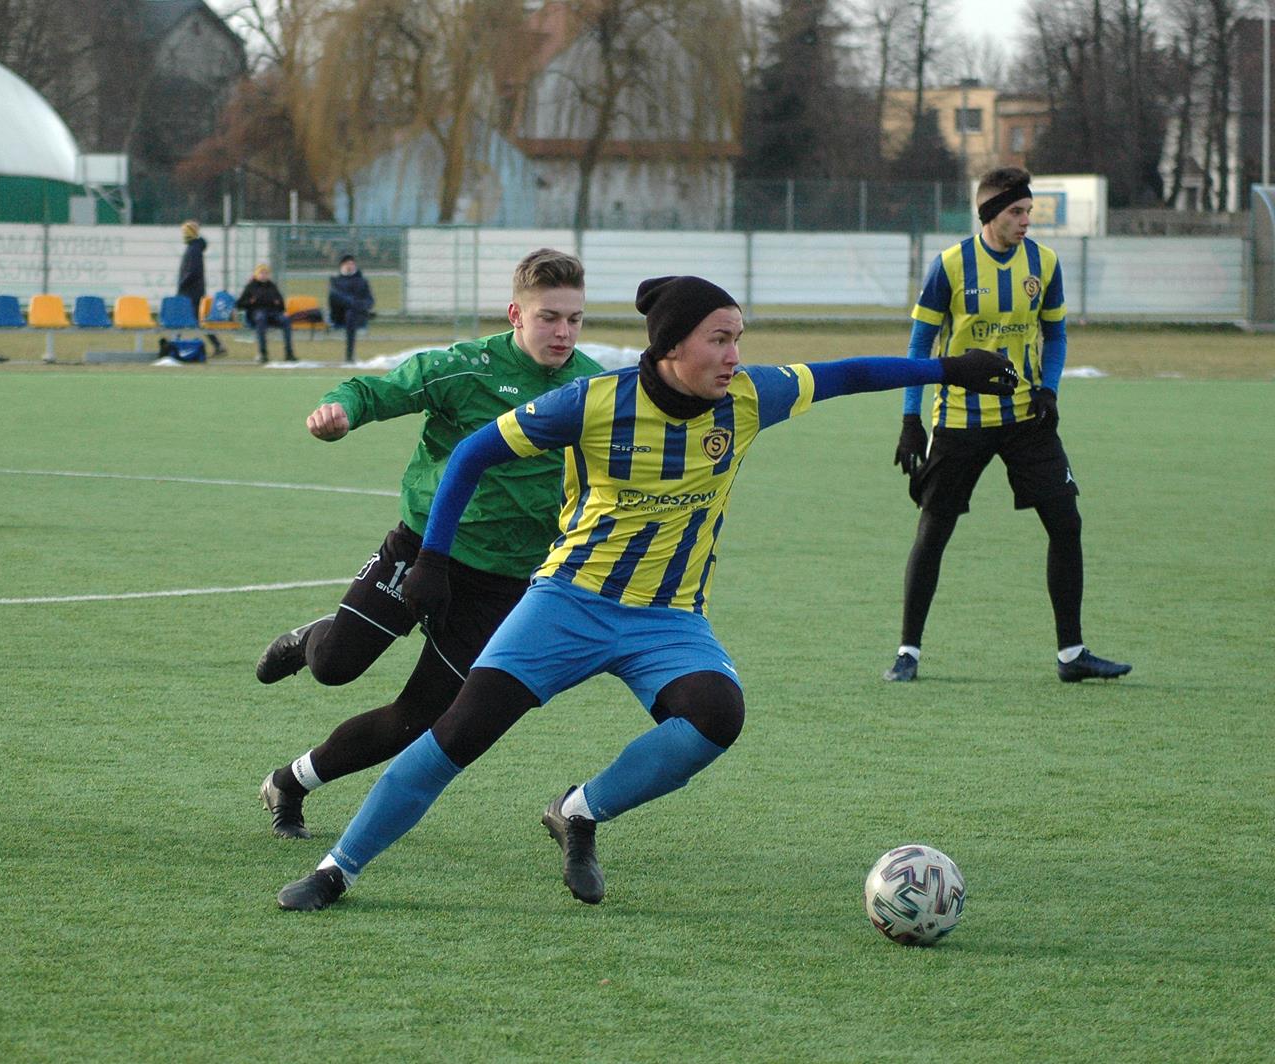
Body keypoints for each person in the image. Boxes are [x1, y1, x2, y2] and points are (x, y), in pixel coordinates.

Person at [275, 275, 1019, 911]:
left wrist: (950, 370)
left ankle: (579, 811)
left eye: (737, 339)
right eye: (719, 340)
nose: (734, 355)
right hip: (566, 604)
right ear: (671, 348)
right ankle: (336, 869)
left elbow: (851, 372)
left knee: (716, 716)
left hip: (667, 618)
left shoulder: (754, 397)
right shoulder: (593, 402)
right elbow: (473, 451)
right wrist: (433, 556)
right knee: (455, 736)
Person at [254, 249, 602, 839]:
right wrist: (341, 410)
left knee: (417, 719)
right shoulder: (465, 368)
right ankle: (313, 637)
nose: (563, 332)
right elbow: (382, 389)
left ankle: (290, 782)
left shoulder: (596, 386)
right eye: (549, 317)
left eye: (574, 319)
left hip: (503, 583)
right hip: (422, 552)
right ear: (516, 314)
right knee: (335, 667)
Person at [883, 166, 1130, 685]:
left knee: (1067, 523)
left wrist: (1050, 389)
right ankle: (908, 653)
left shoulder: (1044, 262)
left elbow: (1056, 336)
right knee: (934, 530)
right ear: (991, 213)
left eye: (1028, 211)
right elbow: (918, 348)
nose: (1025, 221)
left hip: (1027, 419)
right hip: (960, 420)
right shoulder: (950, 266)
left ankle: (1072, 654)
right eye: (1016, 211)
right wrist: (911, 418)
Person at [177, 220, 223, 357]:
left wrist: (182, 283)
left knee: (182, 317)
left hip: (191, 291)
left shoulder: (193, 249)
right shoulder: (194, 247)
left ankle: (174, 343)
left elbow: (193, 271)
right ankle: (218, 345)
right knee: (194, 319)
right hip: (193, 290)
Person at [235, 263, 294, 363]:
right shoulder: (251, 286)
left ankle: (289, 353)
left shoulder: (272, 286)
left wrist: (278, 304)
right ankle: (263, 353)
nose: (264, 275)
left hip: (272, 313)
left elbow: (281, 304)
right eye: (261, 273)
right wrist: (250, 302)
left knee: (286, 320)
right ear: (256, 274)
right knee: (261, 318)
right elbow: (239, 304)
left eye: (266, 273)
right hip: (257, 313)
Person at [327, 253, 375, 363]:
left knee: (351, 313)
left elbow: (370, 301)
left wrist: (358, 305)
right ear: (342, 266)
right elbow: (333, 300)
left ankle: (349, 356)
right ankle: (355, 305)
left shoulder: (362, 281)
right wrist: (356, 303)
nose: (350, 266)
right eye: (347, 264)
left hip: (355, 316)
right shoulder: (335, 281)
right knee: (335, 295)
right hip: (338, 315)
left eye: (352, 264)